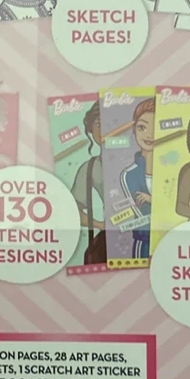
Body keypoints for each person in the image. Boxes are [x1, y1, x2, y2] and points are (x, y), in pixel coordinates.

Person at [119, 97, 155, 259]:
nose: (149, 134)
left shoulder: (175, 169)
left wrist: (153, 200)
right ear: (134, 131)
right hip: (145, 238)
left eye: (156, 127)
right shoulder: (129, 174)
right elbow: (142, 212)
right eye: (142, 127)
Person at [70, 102, 106, 265]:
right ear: (91, 128)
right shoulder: (90, 167)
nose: (106, 129)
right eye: (99, 124)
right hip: (111, 238)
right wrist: (99, 224)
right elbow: (72, 211)